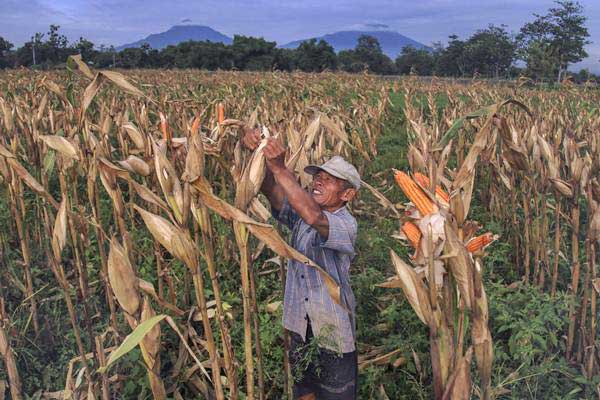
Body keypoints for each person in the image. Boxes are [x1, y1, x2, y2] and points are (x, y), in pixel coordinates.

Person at [242, 127, 360, 400]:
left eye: (329, 180)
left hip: (332, 332)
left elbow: (314, 217)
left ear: (347, 195)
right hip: (298, 324)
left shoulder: (345, 224)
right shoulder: (302, 217)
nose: (318, 181)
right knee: (303, 391)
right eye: (318, 176)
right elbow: (271, 191)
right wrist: (258, 155)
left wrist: (281, 168)